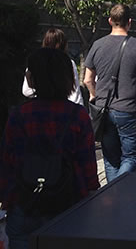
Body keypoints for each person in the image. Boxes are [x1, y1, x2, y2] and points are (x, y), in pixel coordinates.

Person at [1, 48, 99, 249]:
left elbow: (8, 162)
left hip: (24, 201)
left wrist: (6, 197)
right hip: (68, 204)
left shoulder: (19, 115)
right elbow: (87, 164)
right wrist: (90, 193)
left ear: (32, 78)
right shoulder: (78, 116)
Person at [83, 4, 136, 183]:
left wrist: (94, 95)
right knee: (130, 157)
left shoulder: (97, 45)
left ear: (110, 21)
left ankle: (111, 197)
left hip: (104, 109)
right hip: (129, 108)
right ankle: (118, 191)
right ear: (129, 22)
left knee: (111, 158)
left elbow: (87, 80)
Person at [22, 28, 83, 106]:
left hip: (39, 105)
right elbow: (75, 92)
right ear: (63, 44)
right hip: (63, 107)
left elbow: (26, 91)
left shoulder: (36, 62)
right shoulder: (67, 63)